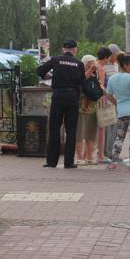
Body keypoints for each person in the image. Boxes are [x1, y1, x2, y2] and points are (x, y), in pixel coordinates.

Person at [36, 39, 85, 169]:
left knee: (54, 129)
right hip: (73, 98)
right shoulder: (79, 63)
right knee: (71, 130)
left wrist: (50, 76)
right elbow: (82, 82)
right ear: (75, 49)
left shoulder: (56, 60)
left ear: (63, 49)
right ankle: (69, 162)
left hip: (58, 96)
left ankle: (52, 162)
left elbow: (40, 71)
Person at [106, 54, 130, 172]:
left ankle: (113, 162)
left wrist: (117, 103)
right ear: (125, 65)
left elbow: (108, 95)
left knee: (119, 137)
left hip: (122, 112)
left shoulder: (112, 78)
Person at [102, 44, 122, 160]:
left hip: (116, 100)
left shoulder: (116, 66)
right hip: (107, 101)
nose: (117, 57)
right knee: (108, 127)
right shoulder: (102, 67)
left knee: (114, 127)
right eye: (116, 55)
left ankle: (111, 152)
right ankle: (107, 152)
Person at [94, 47, 112, 164]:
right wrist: (105, 99)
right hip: (100, 100)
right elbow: (101, 86)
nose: (109, 61)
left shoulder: (94, 65)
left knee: (97, 128)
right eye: (108, 58)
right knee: (101, 128)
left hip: (93, 100)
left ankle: (97, 153)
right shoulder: (101, 69)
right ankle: (100, 155)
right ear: (105, 57)